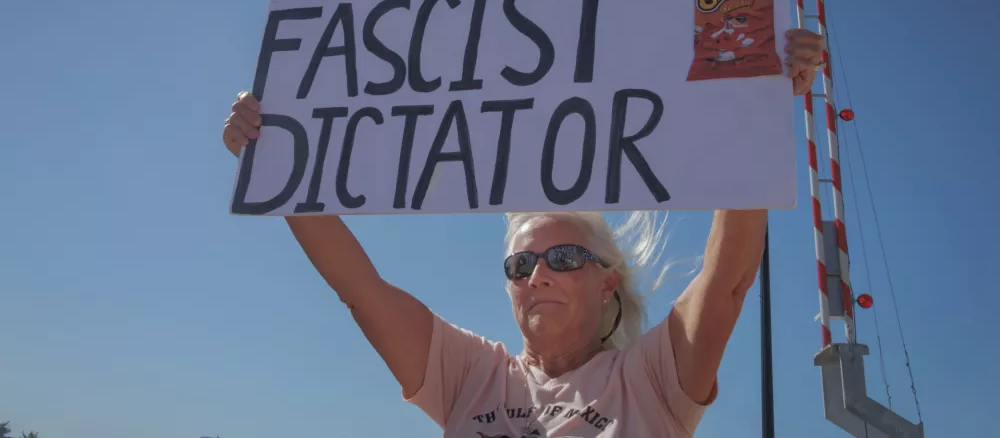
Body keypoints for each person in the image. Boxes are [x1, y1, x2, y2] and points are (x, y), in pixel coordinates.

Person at [221, 29, 825, 437]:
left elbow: (726, 284)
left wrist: (759, 108)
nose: (538, 274)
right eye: (520, 265)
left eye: (563, 257)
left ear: (607, 283)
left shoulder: (650, 381)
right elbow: (360, 288)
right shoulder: (469, 373)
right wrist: (274, 158)